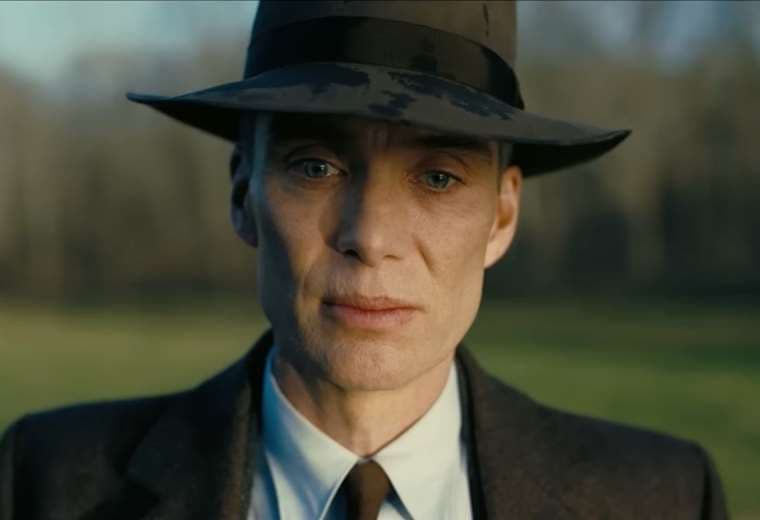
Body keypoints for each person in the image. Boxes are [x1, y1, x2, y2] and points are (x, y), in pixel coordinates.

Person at [0, 2, 727, 519]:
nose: (371, 236)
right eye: (316, 167)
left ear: (502, 216)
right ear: (243, 193)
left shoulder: (662, 498)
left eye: (437, 177)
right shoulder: (45, 483)